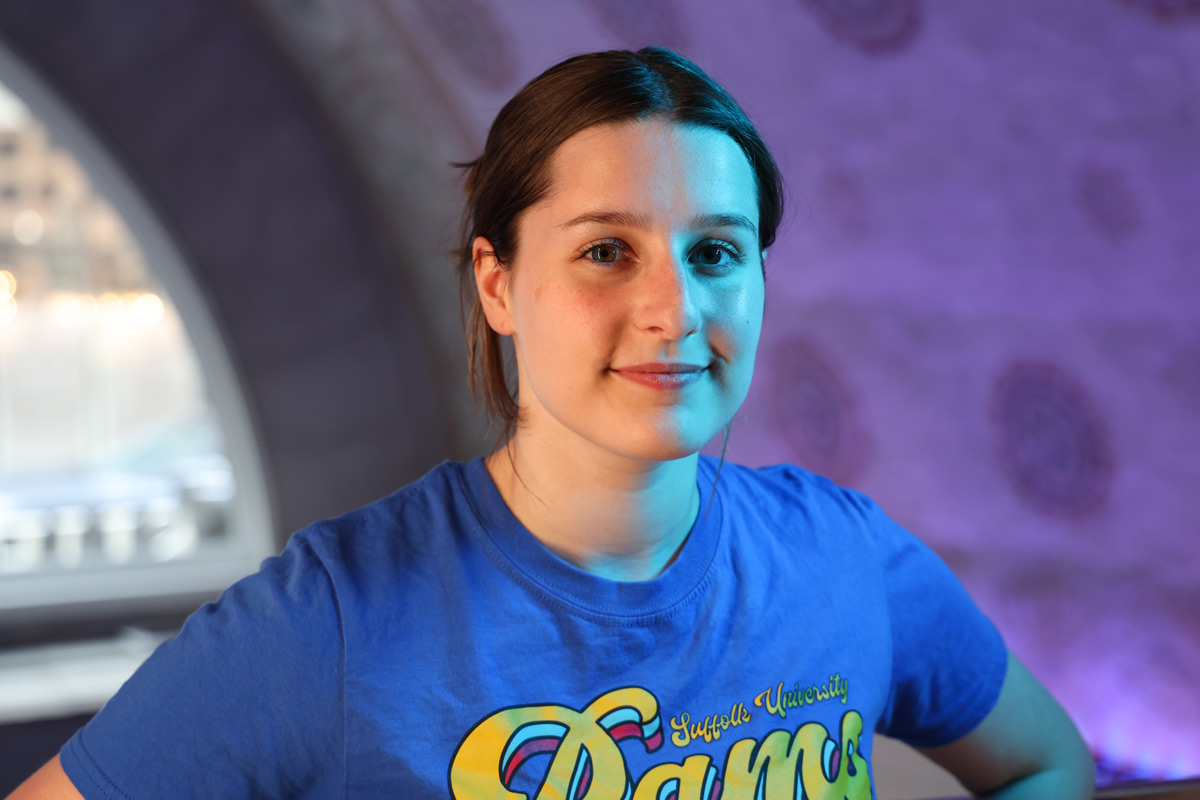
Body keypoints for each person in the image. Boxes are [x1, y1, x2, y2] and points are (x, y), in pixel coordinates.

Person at [11, 47, 1093, 800]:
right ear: (497, 281)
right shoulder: (333, 622)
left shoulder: (848, 558)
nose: (674, 309)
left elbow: (1046, 758)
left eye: (715, 253)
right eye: (605, 250)